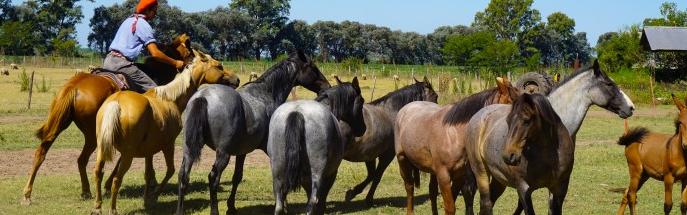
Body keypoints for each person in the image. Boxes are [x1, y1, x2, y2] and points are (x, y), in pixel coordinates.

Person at [102, 0, 184, 93]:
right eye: (154, 11)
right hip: (122, 65)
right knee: (156, 93)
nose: (155, 14)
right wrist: (176, 63)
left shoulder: (128, 20)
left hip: (108, 61)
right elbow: (155, 54)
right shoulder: (143, 24)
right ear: (147, 10)